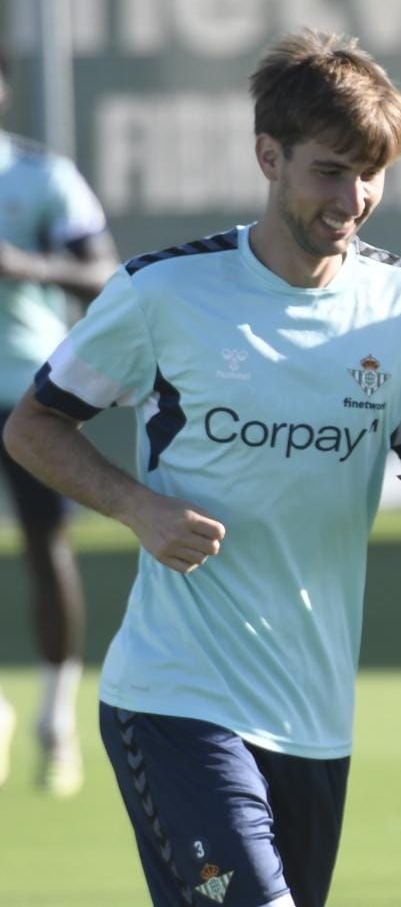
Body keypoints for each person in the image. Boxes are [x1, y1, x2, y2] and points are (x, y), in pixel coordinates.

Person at [3, 29, 401, 907]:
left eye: (372, 174)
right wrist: (137, 506)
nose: (353, 199)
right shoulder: (164, 293)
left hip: (314, 716)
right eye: (329, 171)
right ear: (269, 156)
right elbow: (34, 425)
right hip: (176, 697)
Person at [0, 55, 119, 798]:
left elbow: (105, 273)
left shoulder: (41, 177)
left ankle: (55, 718)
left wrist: (25, 266)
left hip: (24, 391)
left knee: (47, 548)